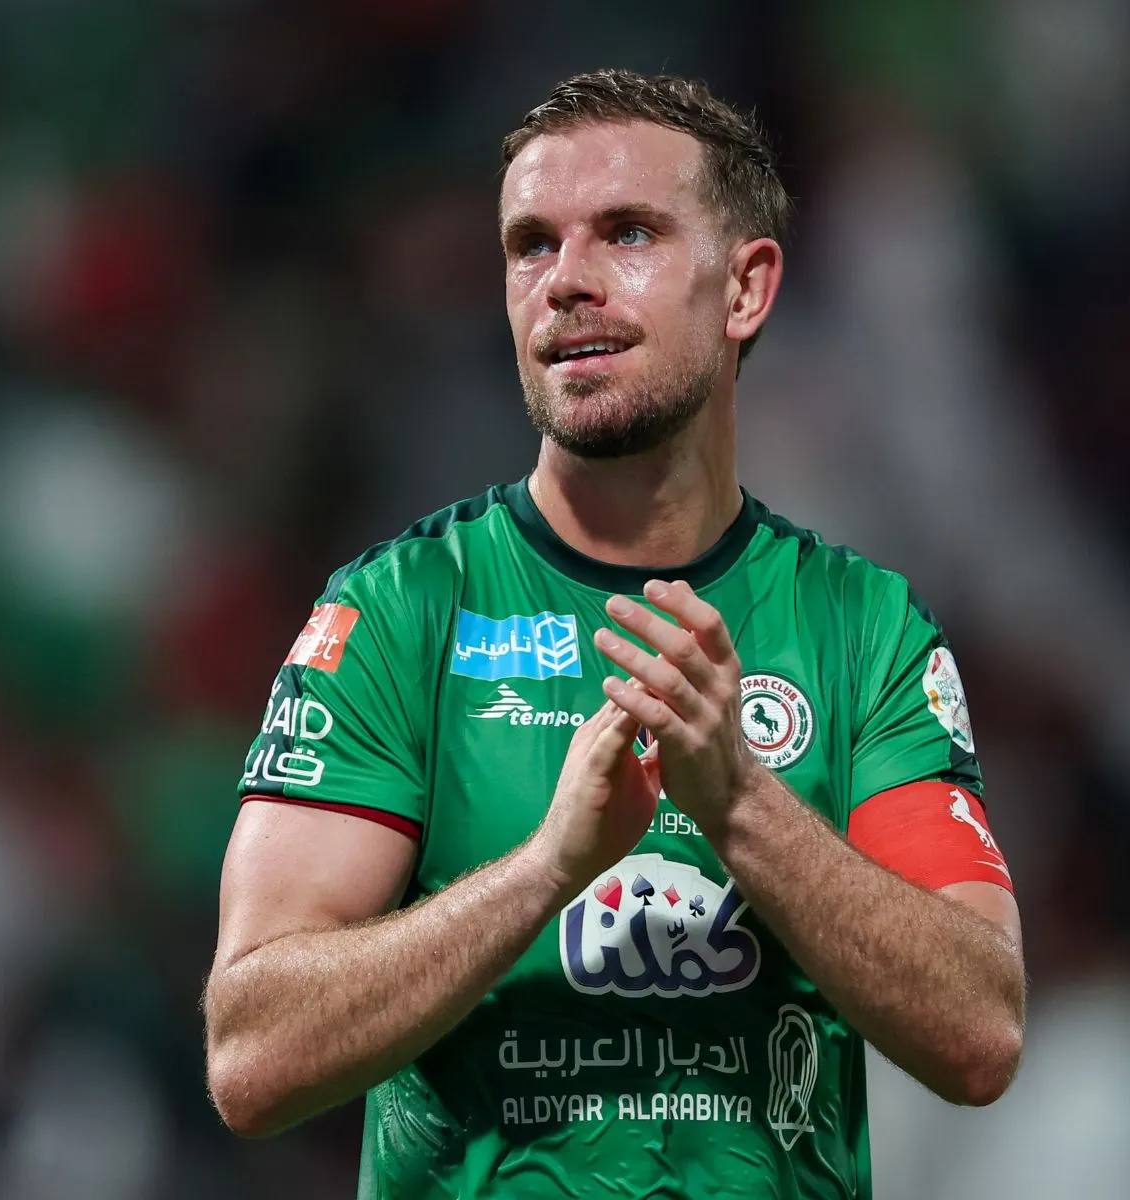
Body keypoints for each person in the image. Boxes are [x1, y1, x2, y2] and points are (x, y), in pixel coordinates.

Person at [203, 68, 1025, 1200]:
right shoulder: (397, 612)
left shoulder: (862, 627)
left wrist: (737, 800)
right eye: (530, 245)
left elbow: (980, 1032)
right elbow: (250, 1054)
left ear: (745, 288)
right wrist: (546, 870)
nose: (566, 283)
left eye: (626, 233)